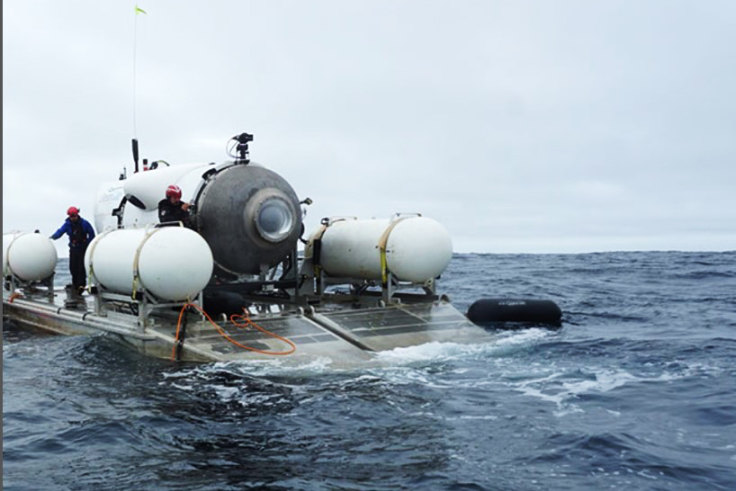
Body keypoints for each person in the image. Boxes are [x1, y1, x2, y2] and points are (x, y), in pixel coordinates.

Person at [50, 206, 96, 295]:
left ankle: (81, 285)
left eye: (74, 216)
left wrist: (89, 245)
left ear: (77, 215)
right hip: (73, 248)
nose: (72, 218)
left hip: (83, 248)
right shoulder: (67, 224)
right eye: (71, 216)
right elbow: (60, 231)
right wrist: (53, 237)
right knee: (73, 267)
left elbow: (91, 233)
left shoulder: (84, 223)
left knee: (81, 267)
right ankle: (75, 285)